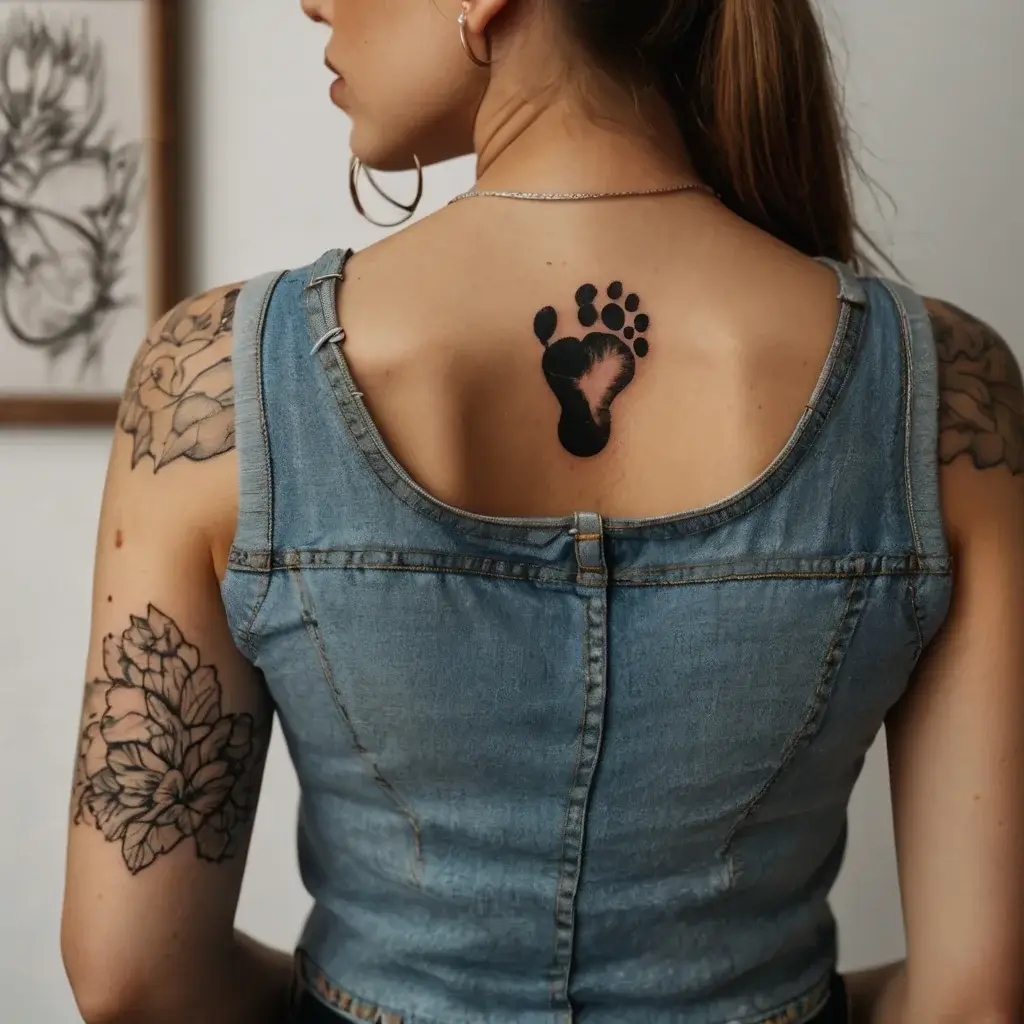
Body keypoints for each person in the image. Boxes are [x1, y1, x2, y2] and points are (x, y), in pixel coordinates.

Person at [60, 0, 1023, 1021]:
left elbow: (132, 976)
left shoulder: (216, 383)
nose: (313, 1)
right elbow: (976, 995)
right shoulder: (944, 397)